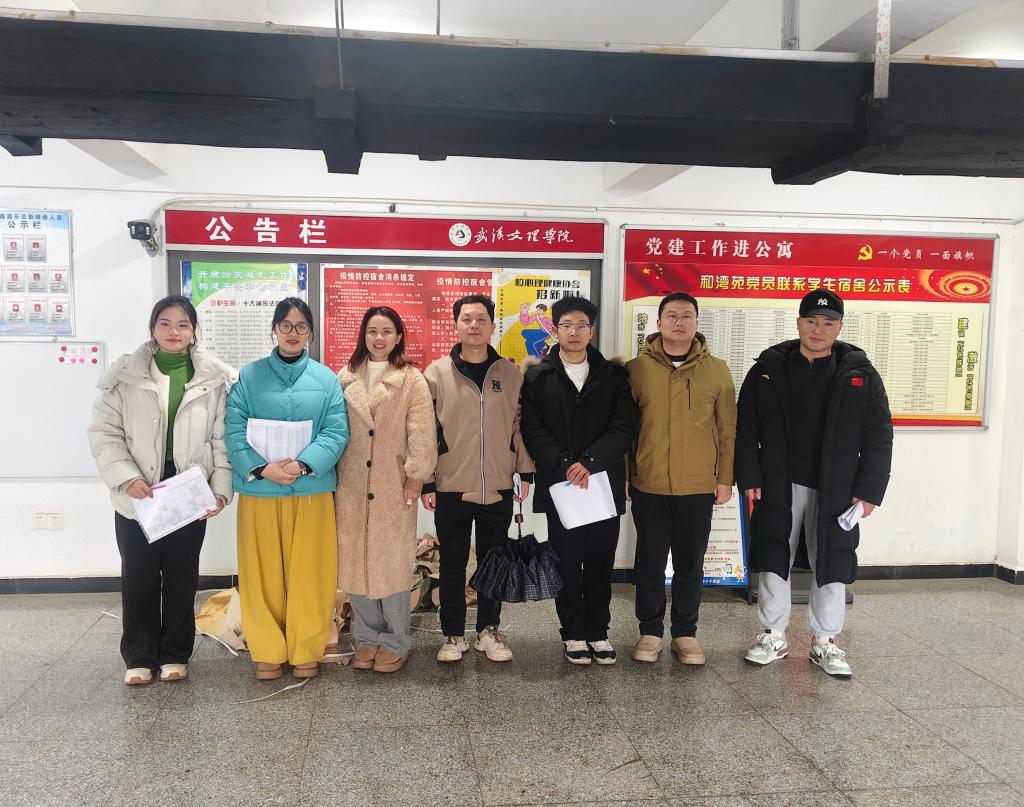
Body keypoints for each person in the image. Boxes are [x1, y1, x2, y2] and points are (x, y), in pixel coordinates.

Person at [736, 289, 892, 677]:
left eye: (827, 323)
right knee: (774, 554)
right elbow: (746, 427)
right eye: (810, 321)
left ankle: (825, 639)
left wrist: (869, 492)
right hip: (778, 481)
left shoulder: (860, 374)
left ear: (839, 327)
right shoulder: (768, 368)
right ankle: (773, 634)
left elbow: (879, 435)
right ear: (799, 322)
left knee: (832, 558)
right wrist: (749, 474)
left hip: (836, 487)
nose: (817, 329)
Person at [88, 295, 235, 686]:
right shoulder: (125, 375)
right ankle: (139, 656)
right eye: (165, 323)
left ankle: (174, 654)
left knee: (182, 575)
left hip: (188, 489)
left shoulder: (213, 378)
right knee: (139, 575)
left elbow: (220, 439)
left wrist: (220, 491)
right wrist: (125, 477)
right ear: (153, 328)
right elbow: (104, 433)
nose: (174, 331)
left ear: (194, 330)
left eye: (183, 324)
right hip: (139, 488)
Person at [225, 298, 348, 681]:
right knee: (261, 575)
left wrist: (302, 464)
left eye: (301, 326)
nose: (293, 333)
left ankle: (306, 648)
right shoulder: (249, 377)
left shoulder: (326, 379)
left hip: (311, 489)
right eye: (286, 325)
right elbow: (233, 430)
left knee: (311, 573)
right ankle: (268, 650)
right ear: (275, 329)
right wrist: (262, 469)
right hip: (261, 492)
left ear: (310, 332)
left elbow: (336, 431)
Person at [521, 296, 635, 665]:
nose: (574, 332)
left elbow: (624, 426)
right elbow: (533, 429)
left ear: (592, 330)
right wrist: (567, 463)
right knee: (566, 562)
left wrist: (589, 462)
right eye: (567, 325)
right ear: (555, 329)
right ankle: (572, 632)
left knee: (600, 561)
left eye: (581, 325)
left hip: (602, 483)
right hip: (562, 485)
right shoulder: (538, 376)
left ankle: (598, 631)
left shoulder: (613, 375)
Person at [422, 294, 535, 663]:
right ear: (456, 324)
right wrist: (427, 481)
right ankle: (453, 634)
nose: (474, 325)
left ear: (491, 326)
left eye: (481, 319)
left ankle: (489, 630)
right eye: (466, 319)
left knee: (493, 562)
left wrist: (525, 470)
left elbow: (519, 425)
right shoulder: (436, 373)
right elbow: (426, 431)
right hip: (450, 485)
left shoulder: (509, 374)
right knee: (452, 563)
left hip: (498, 484)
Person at [626, 292, 736, 665]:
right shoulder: (636, 369)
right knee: (650, 562)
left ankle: (685, 633)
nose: (679, 322)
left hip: (698, 485)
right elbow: (626, 429)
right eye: (671, 315)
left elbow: (728, 430)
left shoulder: (717, 370)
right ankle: (650, 631)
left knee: (691, 562)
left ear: (697, 323)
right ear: (658, 323)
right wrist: (626, 475)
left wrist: (725, 478)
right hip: (649, 482)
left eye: (687, 315)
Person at [335, 306, 437, 674]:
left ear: (398, 337)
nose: (379, 338)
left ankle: (396, 640)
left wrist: (415, 478)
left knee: (392, 563)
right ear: (363, 335)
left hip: (393, 485)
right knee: (355, 559)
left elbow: (422, 433)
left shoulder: (411, 378)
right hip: (350, 485)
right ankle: (366, 637)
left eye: (387, 331)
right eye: (372, 331)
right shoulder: (345, 377)